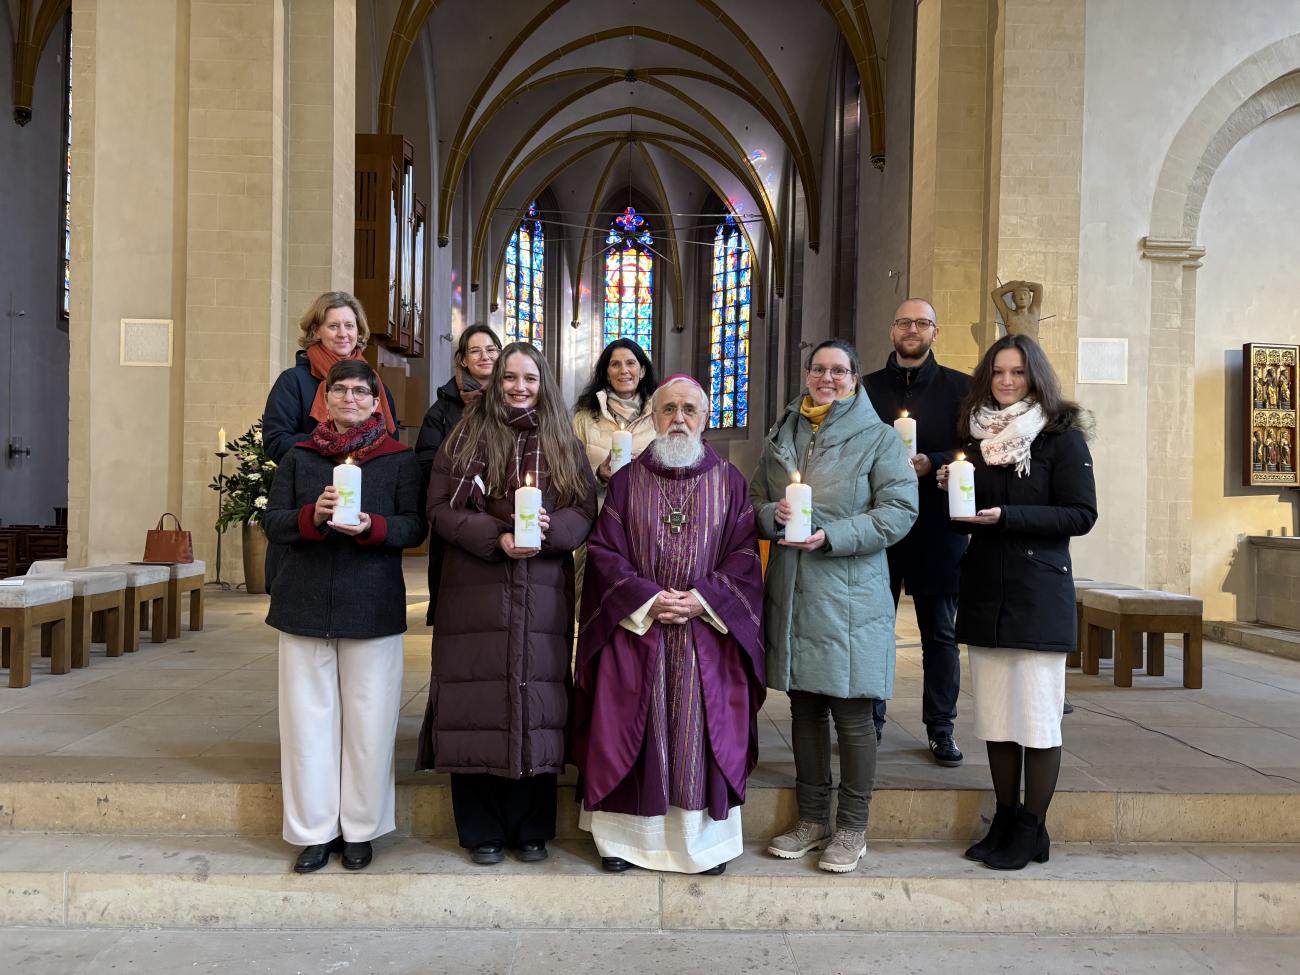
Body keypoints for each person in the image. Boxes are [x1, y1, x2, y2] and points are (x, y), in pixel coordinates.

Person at [574, 375, 766, 876]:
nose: (678, 418)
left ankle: (704, 846)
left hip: (707, 634)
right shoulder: (625, 481)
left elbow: (745, 556)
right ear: (653, 418)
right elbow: (604, 553)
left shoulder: (730, 481)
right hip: (638, 629)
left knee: (699, 734)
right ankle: (623, 842)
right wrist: (647, 598)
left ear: (705, 419)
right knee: (628, 727)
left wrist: (703, 600)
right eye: (668, 409)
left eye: (689, 410)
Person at [416, 342, 597, 866]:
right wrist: (495, 536)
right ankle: (481, 830)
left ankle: (532, 828)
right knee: (476, 700)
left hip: (542, 589)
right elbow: (439, 508)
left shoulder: (561, 439)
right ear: (496, 383)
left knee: (536, 700)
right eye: (511, 377)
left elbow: (584, 508)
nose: (520, 387)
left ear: (544, 385)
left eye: (530, 379)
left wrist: (550, 529)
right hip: (477, 586)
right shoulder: (466, 433)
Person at [751, 340, 918, 874]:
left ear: (854, 378)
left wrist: (834, 534)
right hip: (795, 589)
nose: (827, 378)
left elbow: (900, 510)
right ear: (807, 374)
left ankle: (851, 827)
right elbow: (753, 500)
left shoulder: (878, 438)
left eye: (838, 371)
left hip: (849, 592)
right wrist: (772, 515)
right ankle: (812, 819)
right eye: (819, 369)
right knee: (803, 709)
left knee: (852, 713)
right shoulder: (784, 432)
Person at [939, 334, 1097, 871]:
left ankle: (1032, 827)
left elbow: (1080, 515)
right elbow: (969, 513)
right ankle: (1006, 819)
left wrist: (1007, 517)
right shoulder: (978, 438)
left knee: (1036, 720)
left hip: (1037, 592)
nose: (1006, 381)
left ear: (1035, 378)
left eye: (1018, 372)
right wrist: (953, 487)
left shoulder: (1060, 438)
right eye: (998, 372)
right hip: (986, 589)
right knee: (997, 718)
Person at [262, 360, 426, 874]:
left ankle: (360, 829)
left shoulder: (398, 459)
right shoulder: (300, 456)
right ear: (325, 399)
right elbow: (273, 522)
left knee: (369, 725)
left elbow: (414, 526)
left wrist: (373, 526)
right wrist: (311, 515)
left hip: (371, 604)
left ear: (377, 402)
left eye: (361, 392)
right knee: (306, 725)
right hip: (303, 603)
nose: (350, 398)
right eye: (340, 390)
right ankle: (314, 831)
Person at [862, 298, 971, 766]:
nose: (913, 329)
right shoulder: (865, 389)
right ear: (892, 330)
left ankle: (941, 727)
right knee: (874, 629)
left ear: (935, 332)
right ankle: (869, 722)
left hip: (938, 527)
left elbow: (977, 449)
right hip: (880, 526)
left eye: (922, 323)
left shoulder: (962, 388)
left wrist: (937, 462)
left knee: (940, 634)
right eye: (904, 322)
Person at [261, 292, 399, 592]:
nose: (343, 334)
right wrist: (334, 444)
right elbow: (275, 441)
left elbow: (391, 444)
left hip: (365, 511)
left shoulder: (375, 384)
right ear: (316, 330)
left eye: (349, 326)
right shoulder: (294, 381)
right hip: (310, 506)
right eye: (333, 326)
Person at [414, 324, 502, 624]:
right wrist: (467, 482)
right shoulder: (442, 409)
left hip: (503, 513)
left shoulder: (517, 398)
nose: (484, 356)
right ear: (462, 359)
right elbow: (425, 461)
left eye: (491, 349)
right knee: (456, 614)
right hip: (457, 515)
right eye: (475, 351)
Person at [572, 338, 659, 495]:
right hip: (601, 506)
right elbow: (570, 474)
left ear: (642, 371)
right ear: (607, 373)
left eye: (630, 363)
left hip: (646, 505)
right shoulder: (583, 419)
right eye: (615, 364)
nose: (623, 370)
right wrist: (598, 474)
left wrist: (651, 464)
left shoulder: (660, 416)